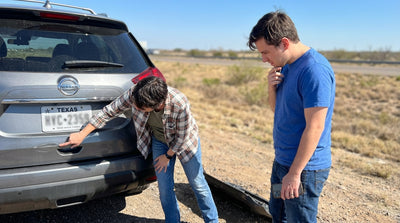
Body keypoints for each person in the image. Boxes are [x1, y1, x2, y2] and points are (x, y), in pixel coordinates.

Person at [59, 76, 219, 223]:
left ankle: (212, 220)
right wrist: (82, 134)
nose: (134, 106)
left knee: (197, 184)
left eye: (140, 107)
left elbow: (182, 138)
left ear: (158, 104)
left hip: (184, 143)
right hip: (160, 141)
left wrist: (168, 156)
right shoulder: (136, 94)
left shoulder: (179, 103)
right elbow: (109, 112)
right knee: (164, 188)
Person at [247, 11, 335, 223]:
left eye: (266, 52)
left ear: (284, 43)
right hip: (282, 163)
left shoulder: (314, 70)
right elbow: (277, 109)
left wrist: (294, 174)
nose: (263, 59)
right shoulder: (285, 65)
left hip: (304, 170)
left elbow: (315, 127)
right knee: (278, 215)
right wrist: (271, 88)